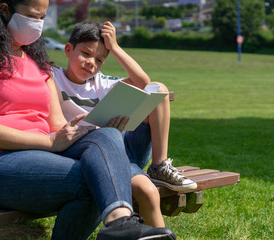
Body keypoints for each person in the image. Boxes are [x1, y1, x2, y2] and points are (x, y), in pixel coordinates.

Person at [0, 1, 176, 240]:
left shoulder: (38, 65)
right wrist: (50, 143)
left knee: (106, 136)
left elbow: (56, 124)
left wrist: (90, 130)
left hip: (40, 155)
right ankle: (119, 225)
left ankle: (119, 223)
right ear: (4, 9)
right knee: (94, 180)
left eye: (42, 17)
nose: (37, 24)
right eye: (32, 16)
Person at [52, 22, 197, 227]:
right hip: (96, 154)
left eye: (100, 59)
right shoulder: (54, 78)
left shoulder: (100, 82)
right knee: (147, 192)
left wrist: (116, 48)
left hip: (126, 146)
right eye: (85, 53)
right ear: (68, 50)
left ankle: (159, 166)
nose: (91, 63)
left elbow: (145, 84)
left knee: (159, 89)